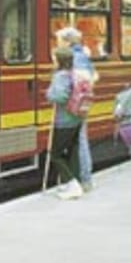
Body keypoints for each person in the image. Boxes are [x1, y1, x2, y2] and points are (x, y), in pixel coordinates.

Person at [55, 27, 96, 191]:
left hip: (73, 104)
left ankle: (84, 179)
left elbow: (69, 82)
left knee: (79, 140)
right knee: (78, 139)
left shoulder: (74, 58)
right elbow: (93, 77)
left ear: (67, 41)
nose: (58, 43)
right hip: (82, 103)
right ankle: (81, 179)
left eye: (59, 40)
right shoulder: (84, 57)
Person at [45, 46, 84, 200]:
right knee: (73, 150)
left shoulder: (60, 76)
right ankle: (76, 182)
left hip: (64, 120)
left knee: (55, 154)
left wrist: (49, 94)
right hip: (76, 117)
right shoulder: (75, 73)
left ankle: (71, 183)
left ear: (59, 60)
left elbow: (60, 96)